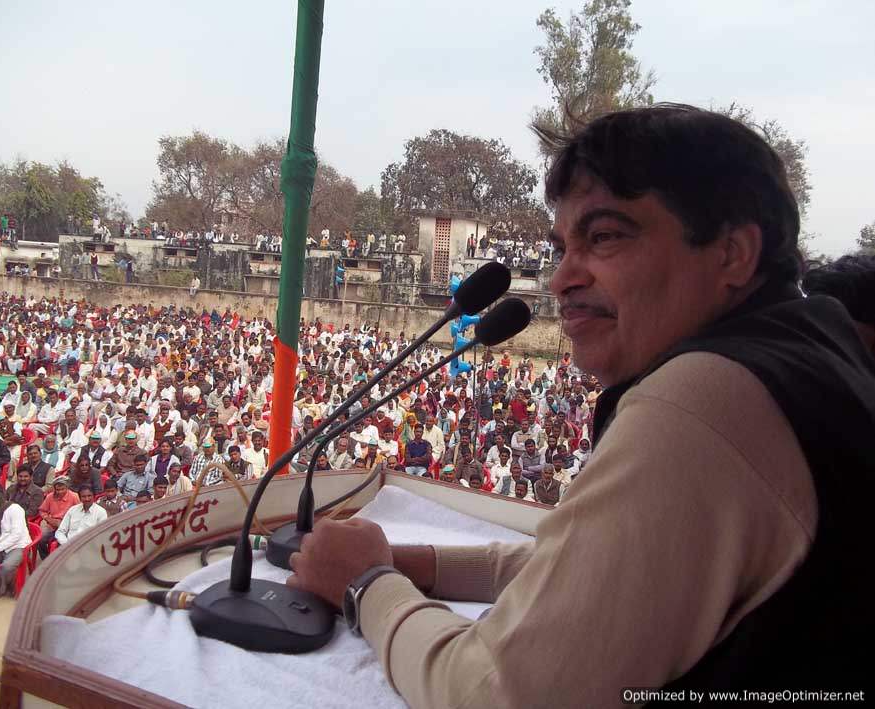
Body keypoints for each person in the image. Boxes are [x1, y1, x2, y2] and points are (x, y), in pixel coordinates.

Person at [285, 105, 874, 704]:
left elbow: (496, 696)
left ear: (732, 254)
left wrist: (367, 585)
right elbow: (611, 577)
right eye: (562, 245)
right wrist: (420, 565)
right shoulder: (813, 348)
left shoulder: (704, 400)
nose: (560, 278)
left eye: (605, 236)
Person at [37, 477, 79, 559]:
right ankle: (46, 559)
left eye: (62, 489)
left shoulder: (74, 496)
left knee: (62, 543)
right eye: (57, 489)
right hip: (52, 524)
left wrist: (67, 523)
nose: (59, 492)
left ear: (67, 487)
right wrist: (49, 519)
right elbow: (42, 511)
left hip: (68, 525)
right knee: (40, 539)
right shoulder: (50, 496)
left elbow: (79, 512)